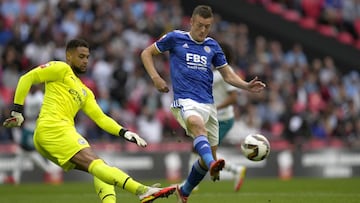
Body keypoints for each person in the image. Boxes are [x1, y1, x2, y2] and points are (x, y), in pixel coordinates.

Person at [3, 38, 175, 203]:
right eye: (81, 56)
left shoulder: (85, 91)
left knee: (101, 168)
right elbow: (26, 78)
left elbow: (101, 118)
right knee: (98, 165)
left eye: (87, 57)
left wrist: (125, 132)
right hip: (53, 129)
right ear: (68, 56)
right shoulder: (61, 68)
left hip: (53, 135)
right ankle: (142, 191)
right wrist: (17, 110)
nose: (85, 61)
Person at [140, 5, 266, 203]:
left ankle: (185, 190)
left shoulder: (213, 46)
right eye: (199, 25)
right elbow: (146, 53)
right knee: (198, 128)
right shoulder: (175, 38)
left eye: (207, 26)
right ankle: (214, 163)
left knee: (204, 161)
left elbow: (227, 74)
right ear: (191, 21)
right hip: (185, 100)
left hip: (209, 105)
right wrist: (156, 77)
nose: (203, 30)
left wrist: (246, 86)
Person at [187, 42, 247, 192]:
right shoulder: (213, 73)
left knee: (201, 149)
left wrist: (214, 108)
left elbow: (234, 97)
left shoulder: (227, 72)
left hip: (224, 119)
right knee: (199, 148)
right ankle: (235, 170)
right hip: (213, 118)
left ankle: (234, 170)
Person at [8, 85, 62, 184]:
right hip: (28, 126)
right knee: (22, 152)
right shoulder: (29, 96)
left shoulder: (39, 98)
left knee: (27, 151)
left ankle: (49, 171)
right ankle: (15, 178)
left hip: (34, 127)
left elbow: (44, 111)